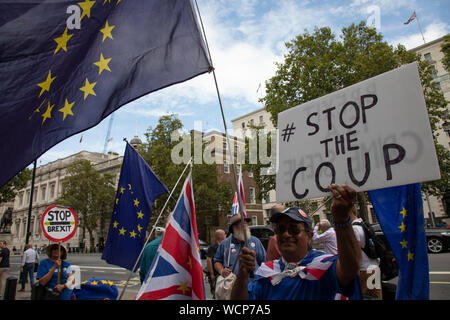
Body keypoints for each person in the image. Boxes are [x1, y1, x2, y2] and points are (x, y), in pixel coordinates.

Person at [231, 184, 362, 300]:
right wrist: (242, 274)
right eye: (280, 229)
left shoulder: (325, 265)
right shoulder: (266, 272)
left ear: (309, 236)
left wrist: (342, 219)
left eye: (294, 229)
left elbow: (350, 269)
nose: (286, 234)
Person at [213, 214, 266, 282]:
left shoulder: (255, 241)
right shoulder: (225, 244)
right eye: (241, 224)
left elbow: (264, 261)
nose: (245, 226)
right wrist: (221, 271)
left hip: (254, 284)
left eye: (246, 223)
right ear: (233, 228)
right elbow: (217, 261)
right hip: (233, 285)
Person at [350, 209, 382, 299]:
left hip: (365, 270)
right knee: (376, 296)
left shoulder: (354, 228)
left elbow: (357, 253)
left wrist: (356, 272)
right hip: (374, 267)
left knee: (365, 296)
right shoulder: (363, 224)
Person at [206, 229, 226, 297]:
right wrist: (212, 274)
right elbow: (209, 260)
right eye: (224, 234)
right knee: (216, 291)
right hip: (215, 273)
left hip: (223, 273)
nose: (226, 235)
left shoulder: (224, 245)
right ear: (220, 236)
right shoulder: (213, 247)